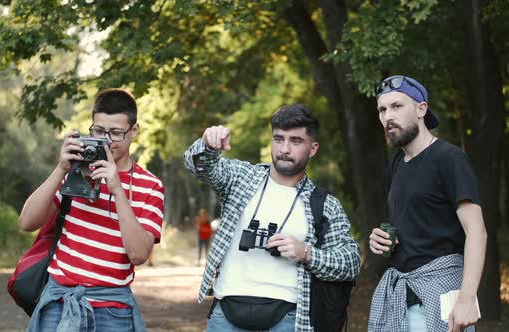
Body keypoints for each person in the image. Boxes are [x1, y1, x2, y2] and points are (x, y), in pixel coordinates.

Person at [183, 104, 360, 331]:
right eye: (278, 139)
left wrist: (306, 253)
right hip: (225, 313)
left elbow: (351, 262)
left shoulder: (324, 204)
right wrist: (208, 145)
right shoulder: (241, 178)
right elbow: (198, 166)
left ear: (313, 148)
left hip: (287, 317)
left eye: (295, 141)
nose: (284, 148)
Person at [18, 88, 165, 331]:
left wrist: (117, 190)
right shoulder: (76, 170)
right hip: (60, 302)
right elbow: (26, 222)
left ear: (134, 131)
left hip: (112, 308)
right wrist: (61, 169)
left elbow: (139, 255)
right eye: (98, 131)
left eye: (116, 133)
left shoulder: (151, 186)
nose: (107, 140)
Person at [368, 76, 487, 332]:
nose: (388, 116)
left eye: (397, 106)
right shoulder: (397, 164)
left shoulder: (449, 158)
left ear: (421, 109)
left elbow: (477, 232)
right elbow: (411, 225)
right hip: (402, 298)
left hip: (440, 297)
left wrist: (466, 300)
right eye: (382, 109)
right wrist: (381, 239)